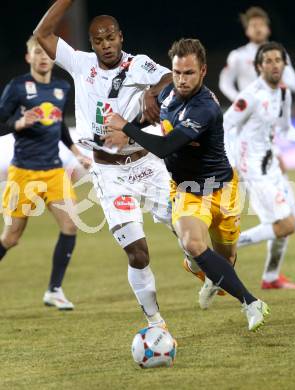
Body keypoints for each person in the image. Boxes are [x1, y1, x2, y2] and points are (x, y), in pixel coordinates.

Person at [105, 38, 270, 331]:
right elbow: (151, 116)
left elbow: (167, 146)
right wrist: (133, 124)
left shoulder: (204, 107)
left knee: (226, 261)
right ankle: (251, 302)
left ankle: (207, 274)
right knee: (192, 243)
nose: (181, 80)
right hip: (186, 191)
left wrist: (125, 127)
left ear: (203, 71)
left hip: (223, 191)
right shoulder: (168, 93)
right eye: (178, 72)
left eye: (189, 73)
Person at [34, 0, 175, 328]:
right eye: (98, 40)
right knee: (138, 253)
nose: (106, 44)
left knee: (188, 233)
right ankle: (155, 321)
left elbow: (169, 79)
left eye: (110, 37)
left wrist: (152, 93)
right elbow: (42, 33)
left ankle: (201, 267)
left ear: (120, 37)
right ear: (91, 42)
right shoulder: (80, 64)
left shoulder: (138, 65)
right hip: (110, 172)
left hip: (147, 164)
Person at [0, 36, 91, 310]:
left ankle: (54, 289)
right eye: (36, 52)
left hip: (54, 172)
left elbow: (60, 126)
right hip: (23, 174)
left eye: (46, 53)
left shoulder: (62, 87)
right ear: (28, 58)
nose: (43, 57)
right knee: (11, 238)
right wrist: (18, 122)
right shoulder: (17, 87)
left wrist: (76, 152)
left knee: (70, 225)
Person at [223, 42, 295, 289]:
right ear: (258, 66)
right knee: (287, 224)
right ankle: (222, 248)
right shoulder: (250, 96)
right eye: (268, 61)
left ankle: (271, 277)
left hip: (271, 166)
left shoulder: (283, 93)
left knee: (279, 227)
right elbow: (225, 125)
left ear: (285, 64)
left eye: (278, 60)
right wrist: (231, 161)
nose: (274, 65)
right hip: (252, 169)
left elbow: (285, 129)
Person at [218, 6, 295, 233]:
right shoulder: (239, 56)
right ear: (247, 30)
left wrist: (276, 87)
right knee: (239, 173)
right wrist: (239, 100)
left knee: (273, 166)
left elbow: (294, 83)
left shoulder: (279, 56)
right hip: (245, 124)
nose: (258, 28)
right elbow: (224, 82)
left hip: (266, 124)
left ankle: (291, 217)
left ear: (268, 28)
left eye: (261, 24)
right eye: (253, 25)